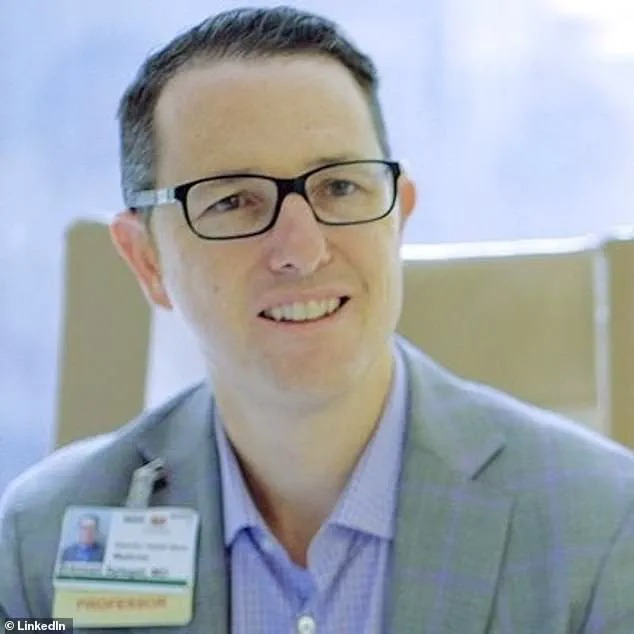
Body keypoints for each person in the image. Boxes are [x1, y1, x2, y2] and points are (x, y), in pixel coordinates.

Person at [1, 6, 633, 632]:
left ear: (397, 217)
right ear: (147, 260)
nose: (301, 251)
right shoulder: (37, 549)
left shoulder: (605, 531)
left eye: (339, 187)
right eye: (234, 200)